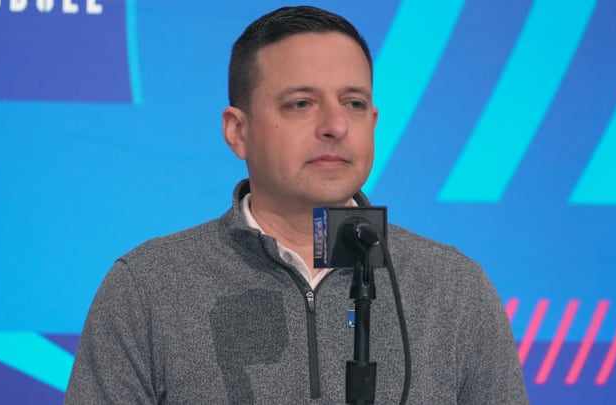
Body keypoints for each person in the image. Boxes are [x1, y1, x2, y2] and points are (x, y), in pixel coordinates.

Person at [65, 5, 529, 404]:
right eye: (301, 104)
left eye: (352, 103)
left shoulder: (454, 288)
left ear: (373, 121)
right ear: (238, 131)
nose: (334, 126)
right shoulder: (147, 288)